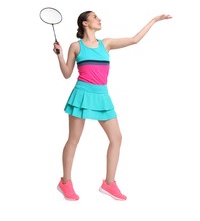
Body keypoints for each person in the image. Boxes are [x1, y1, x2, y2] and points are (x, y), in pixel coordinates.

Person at [54, 11, 172, 201]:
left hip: (102, 96)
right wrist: (59, 55)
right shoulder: (75, 46)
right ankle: (65, 183)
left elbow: (135, 40)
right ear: (85, 23)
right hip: (81, 94)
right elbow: (67, 73)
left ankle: (109, 184)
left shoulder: (106, 44)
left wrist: (154, 20)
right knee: (74, 139)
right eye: (95, 17)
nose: (99, 19)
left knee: (116, 138)